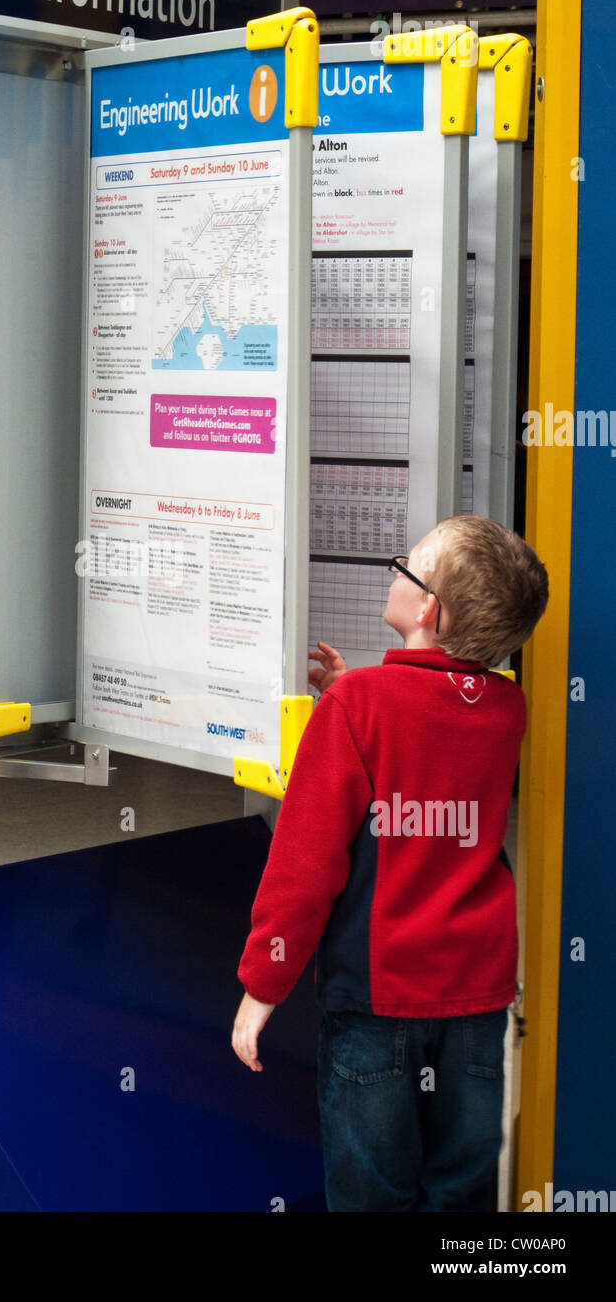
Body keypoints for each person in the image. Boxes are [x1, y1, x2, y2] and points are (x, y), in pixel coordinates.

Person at [231, 515, 549, 1211]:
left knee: (372, 1189)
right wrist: (358, 694)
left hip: (377, 1002)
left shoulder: (358, 707)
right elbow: (432, 732)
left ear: (426, 608)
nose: (394, 571)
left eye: (406, 566)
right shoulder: (506, 709)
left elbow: (305, 865)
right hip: (477, 1000)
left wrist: (263, 986)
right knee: (461, 1186)